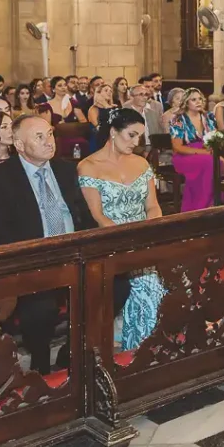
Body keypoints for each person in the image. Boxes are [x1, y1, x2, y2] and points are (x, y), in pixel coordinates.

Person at [0, 115, 97, 374]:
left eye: (50, 134)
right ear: (19, 145)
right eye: (39, 137)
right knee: (41, 308)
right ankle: (41, 363)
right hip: (32, 261)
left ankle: (70, 352)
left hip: (75, 254)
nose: (48, 142)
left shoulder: (65, 171)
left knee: (115, 287)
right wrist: (37, 260)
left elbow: (84, 217)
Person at [78, 109, 165, 350]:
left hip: (143, 238)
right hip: (110, 242)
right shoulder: (89, 166)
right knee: (148, 284)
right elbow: (98, 216)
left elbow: (153, 206)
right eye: (131, 135)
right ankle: (141, 348)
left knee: (161, 280)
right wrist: (126, 242)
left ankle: (147, 345)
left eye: (140, 137)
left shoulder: (141, 163)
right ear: (113, 132)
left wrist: (150, 230)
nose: (136, 142)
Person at [169, 88, 219, 212]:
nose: (198, 102)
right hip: (184, 155)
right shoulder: (178, 120)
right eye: (194, 99)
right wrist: (203, 152)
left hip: (207, 152)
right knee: (208, 161)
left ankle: (215, 202)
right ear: (186, 102)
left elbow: (214, 139)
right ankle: (200, 206)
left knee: (222, 163)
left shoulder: (209, 117)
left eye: (200, 99)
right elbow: (177, 147)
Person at [87, 83, 118, 152]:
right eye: (106, 90)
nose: (109, 92)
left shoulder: (115, 107)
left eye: (110, 91)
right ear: (98, 93)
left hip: (115, 137)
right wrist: (106, 106)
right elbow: (99, 128)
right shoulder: (93, 109)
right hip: (99, 138)